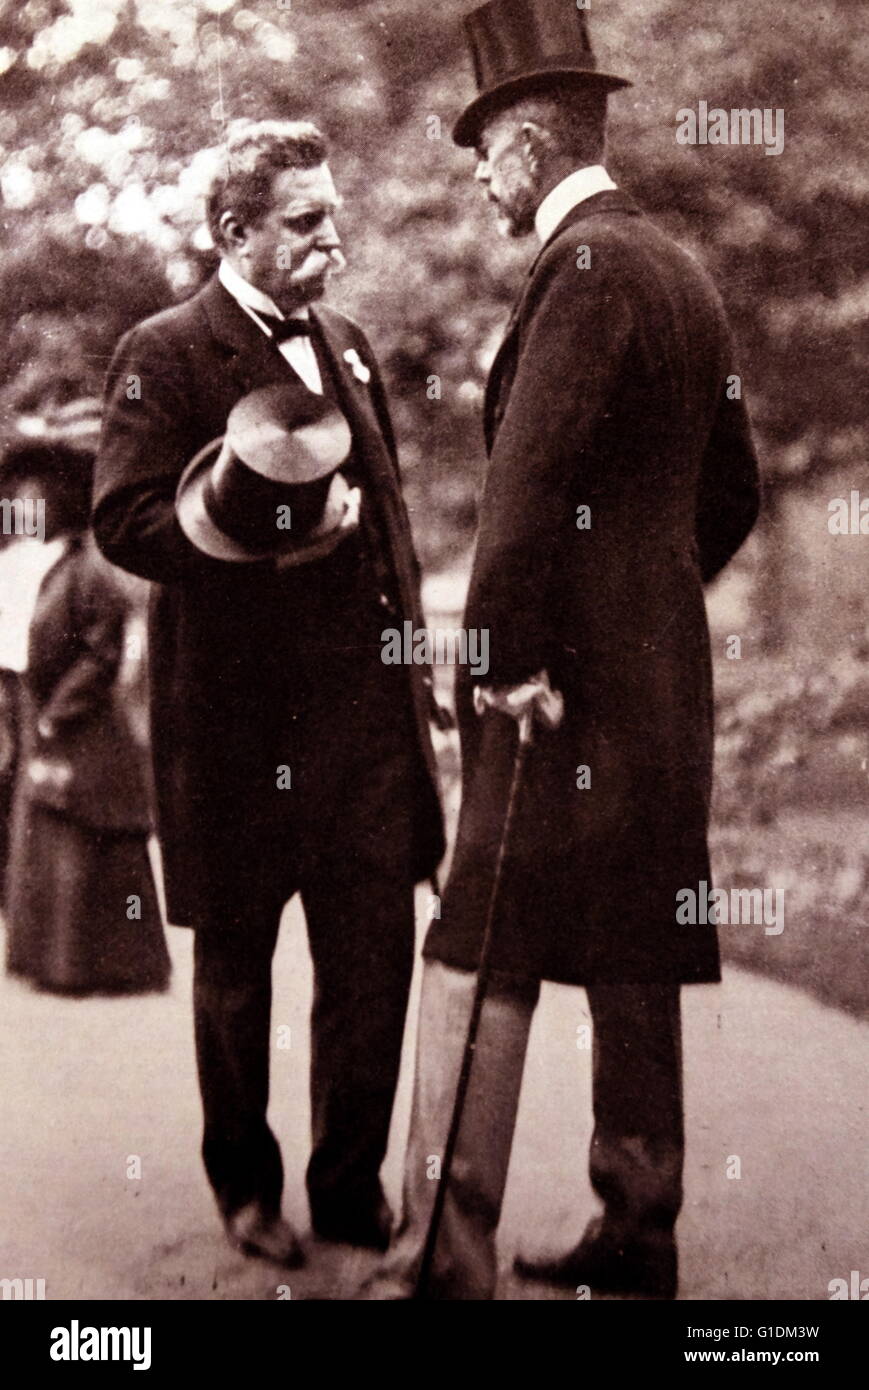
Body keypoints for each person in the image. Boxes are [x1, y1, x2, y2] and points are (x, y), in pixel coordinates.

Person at [366, 0, 761, 1300]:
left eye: (484, 147)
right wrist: (647, 604)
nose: (479, 175)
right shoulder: (682, 269)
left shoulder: (578, 270)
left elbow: (524, 497)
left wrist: (502, 658)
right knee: (637, 939)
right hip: (659, 695)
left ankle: (443, 1248)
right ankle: (639, 1231)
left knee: (481, 932)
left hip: (549, 702)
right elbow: (735, 494)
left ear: (532, 143)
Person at [93, 119, 445, 1268]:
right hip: (238, 729)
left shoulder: (343, 342)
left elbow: (386, 515)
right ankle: (245, 1188)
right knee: (236, 972)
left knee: (371, 961)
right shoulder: (164, 347)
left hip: (362, 731)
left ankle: (348, 1185)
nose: (330, 240)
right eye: (304, 222)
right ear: (233, 231)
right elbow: (125, 520)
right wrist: (268, 541)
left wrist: (417, 671)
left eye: (332, 214)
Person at [2, 399, 169, 996]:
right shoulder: (37, 565)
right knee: (46, 830)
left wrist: (59, 712)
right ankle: (49, 961)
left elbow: (101, 652)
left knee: (88, 832)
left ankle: (105, 965)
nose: (22, 508)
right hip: (40, 712)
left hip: (84, 723)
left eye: (33, 499)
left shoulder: (87, 569)